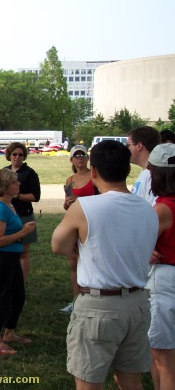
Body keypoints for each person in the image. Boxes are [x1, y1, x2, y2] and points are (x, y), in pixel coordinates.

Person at [51, 140, 158, 390]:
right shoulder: (148, 209)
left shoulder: (85, 206)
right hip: (138, 303)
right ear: (127, 170)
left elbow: (58, 246)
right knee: (131, 381)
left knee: (89, 382)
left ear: (95, 171)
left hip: (98, 307)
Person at [0, 169, 36, 357]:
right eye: (15, 182)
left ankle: (10, 333)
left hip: (12, 257)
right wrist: (22, 233)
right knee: (3, 297)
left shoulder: (10, 204)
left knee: (18, 295)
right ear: (4, 187)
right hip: (1, 258)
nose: (19, 184)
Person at [146, 143, 175, 390]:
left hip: (167, 280)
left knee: (164, 360)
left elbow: (137, 247)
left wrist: (146, 251)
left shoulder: (162, 208)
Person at [60, 145, 97, 314]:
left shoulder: (95, 176)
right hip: (75, 223)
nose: (80, 158)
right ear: (71, 160)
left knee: (92, 261)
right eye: (76, 155)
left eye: (83, 155)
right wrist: (67, 203)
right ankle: (76, 301)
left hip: (92, 223)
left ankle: (92, 298)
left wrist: (82, 201)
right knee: (74, 262)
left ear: (88, 158)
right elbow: (67, 204)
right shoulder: (70, 180)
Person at [4, 142, 40, 281]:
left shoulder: (30, 173)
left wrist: (17, 196)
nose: (17, 157)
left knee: (24, 251)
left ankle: (21, 282)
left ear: (24, 156)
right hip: (7, 215)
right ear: (9, 155)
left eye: (20, 154)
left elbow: (35, 197)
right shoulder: (4, 172)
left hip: (24, 215)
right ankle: (9, 278)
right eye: (14, 154)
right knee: (8, 249)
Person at [127, 125, 160, 205]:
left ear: (139, 146)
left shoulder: (153, 176)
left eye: (128, 145)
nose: (126, 149)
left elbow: (154, 211)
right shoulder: (146, 173)